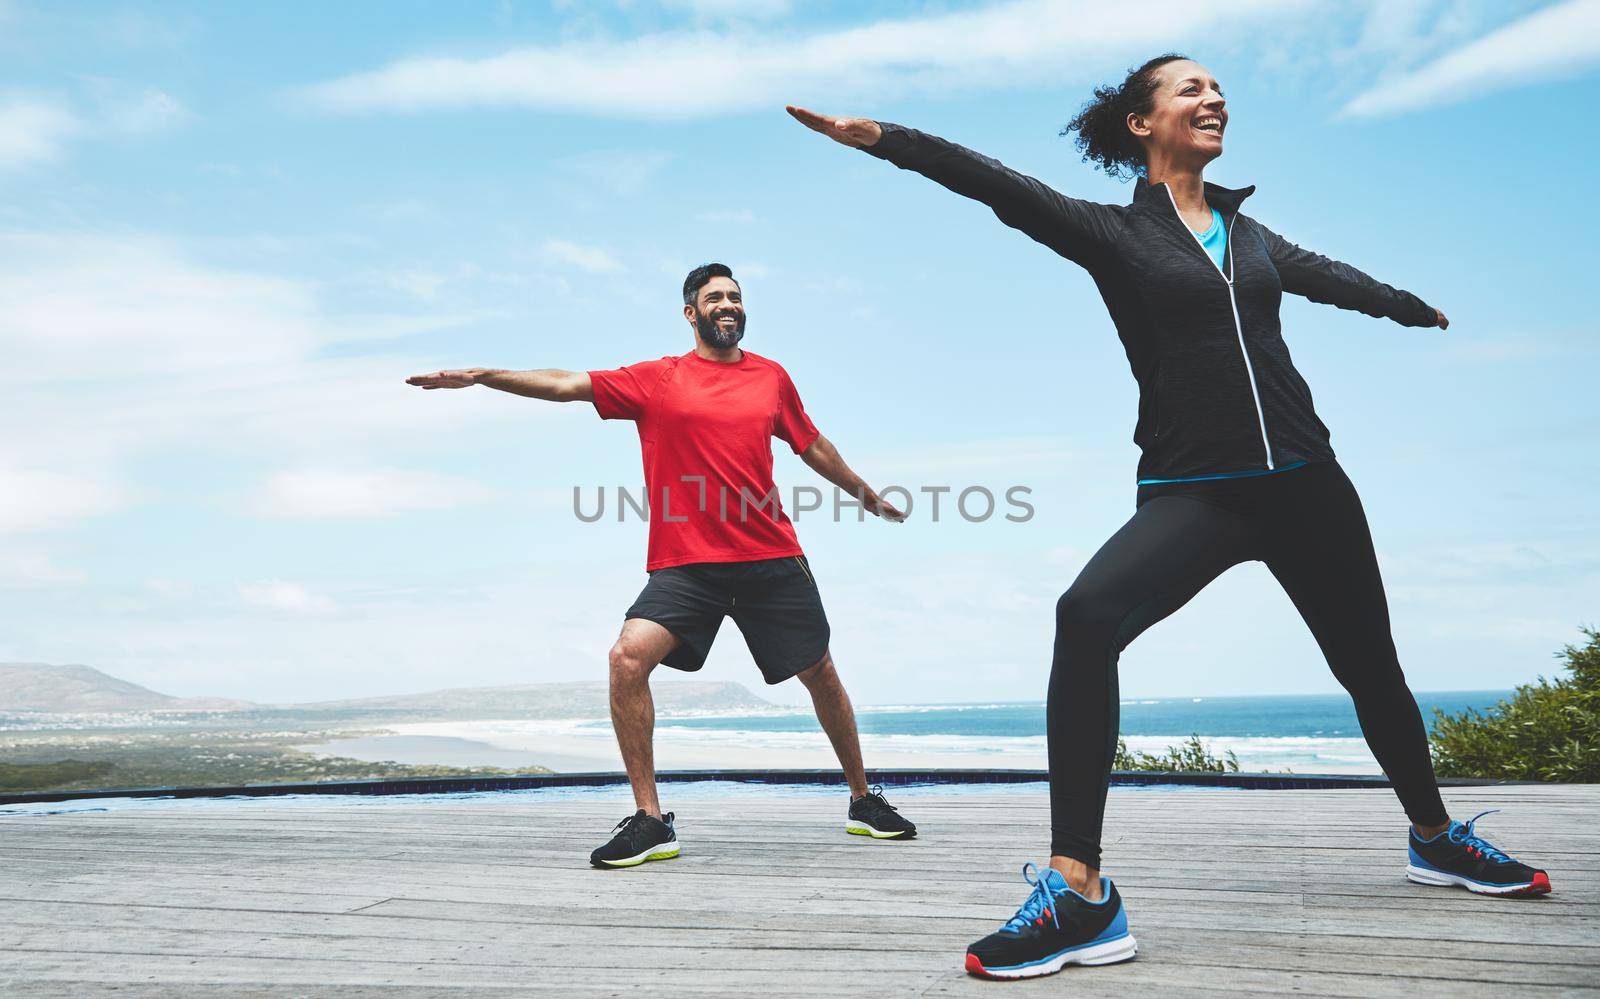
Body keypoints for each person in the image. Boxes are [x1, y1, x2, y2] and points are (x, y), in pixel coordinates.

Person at [788, 54, 1550, 980]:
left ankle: (1435, 837)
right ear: (1142, 124)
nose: (1213, 98)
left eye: (1217, 89)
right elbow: (998, 187)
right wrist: (886, 140)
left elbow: (1327, 276)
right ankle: (1080, 890)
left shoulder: (1249, 232)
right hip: (1199, 491)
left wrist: (1404, 308)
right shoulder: (1113, 234)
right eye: (1190, 89)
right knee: (1086, 615)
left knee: (1370, 668)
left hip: (1310, 482)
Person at [406, 262, 917, 868]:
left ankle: (863, 799)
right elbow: (567, 384)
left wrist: (865, 495)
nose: (727, 305)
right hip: (688, 566)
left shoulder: (772, 378)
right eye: (714, 298)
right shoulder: (659, 379)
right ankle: (651, 821)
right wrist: (487, 376)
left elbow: (811, 443)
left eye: (735, 297)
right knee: (627, 658)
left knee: (821, 673)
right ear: (691, 313)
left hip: (770, 557)